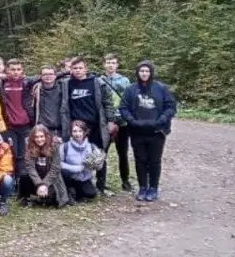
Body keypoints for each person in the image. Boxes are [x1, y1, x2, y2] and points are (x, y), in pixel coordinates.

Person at [120, 60, 176, 202]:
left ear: (151, 73)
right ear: (137, 73)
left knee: (154, 160)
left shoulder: (161, 88)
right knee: (140, 160)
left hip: (156, 131)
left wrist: (161, 121)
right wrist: (132, 121)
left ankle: (153, 188)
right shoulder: (131, 89)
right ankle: (143, 187)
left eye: (147, 71)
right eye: (141, 71)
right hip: (137, 131)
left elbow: (170, 107)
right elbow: (123, 108)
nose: (144, 74)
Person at [60, 57, 117, 194]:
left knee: (98, 155)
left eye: (80, 68)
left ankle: (101, 185)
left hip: (95, 125)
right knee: (75, 155)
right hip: (76, 127)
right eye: (75, 68)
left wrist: (110, 121)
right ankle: (79, 183)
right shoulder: (66, 84)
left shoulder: (97, 83)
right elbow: (44, 78)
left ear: (86, 69)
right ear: (71, 70)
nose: (78, 71)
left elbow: (108, 103)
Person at [0, 59, 36, 180]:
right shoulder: (1, 83)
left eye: (18, 69)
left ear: (22, 71)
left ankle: (22, 181)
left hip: (25, 125)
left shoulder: (26, 82)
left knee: (24, 155)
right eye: (13, 70)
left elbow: (46, 76)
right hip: (9, 126)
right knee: (11, 154)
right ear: (6, 71)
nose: (16, 72)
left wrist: (67, 71)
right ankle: (11, 181)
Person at [103, 53, 133, 191]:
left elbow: (129, 101)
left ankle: (125, 180)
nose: (110, 65)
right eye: (108, 62)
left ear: (117, 65)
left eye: (113, 62)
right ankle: (100, 181)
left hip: (122, 122)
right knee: (102, 152)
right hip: (105, 122)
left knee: (123, 153)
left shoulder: (125, 81)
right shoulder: (99, 81)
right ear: (104, 64)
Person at [19, 125, 70, 208]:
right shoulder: (29, 146)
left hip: (50, 177)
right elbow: (30, 167)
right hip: (36, 177)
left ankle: (37, 198)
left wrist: (45, 184)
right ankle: (27, 197)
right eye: (36, 137)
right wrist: (39, 184)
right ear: (33, 138)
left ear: (46, 136)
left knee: (52, 199)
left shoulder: (55, 146)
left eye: (41, 136)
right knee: (24, 175)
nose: (39, 139)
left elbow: (55, 168)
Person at [60, 121, 101, 202]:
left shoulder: (91, 147)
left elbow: (99, 166)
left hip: (84, 178)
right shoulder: (64, 147)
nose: (77, 134)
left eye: (80, 131)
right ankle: (68, 191)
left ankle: (77, 192)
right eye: (74, 131)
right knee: (65, 174)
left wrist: (97, 164)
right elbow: (59, 164)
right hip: (70, 177)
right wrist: (76, 168)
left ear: (84, 132)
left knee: (91, 194)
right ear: (71, 132)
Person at [32, 65, 64, 138]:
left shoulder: (63, 88)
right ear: (40, 76)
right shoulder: (35, 89)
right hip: (42, 130)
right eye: (45, 74)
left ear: (55, 76)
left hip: (60, 129)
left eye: (50, 74)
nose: (48, 76)